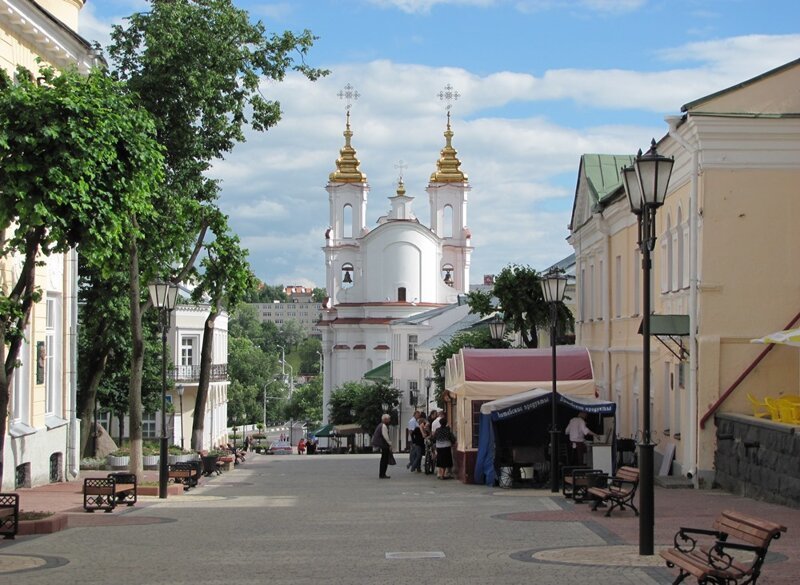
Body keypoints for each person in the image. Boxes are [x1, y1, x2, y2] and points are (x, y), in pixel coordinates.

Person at [372, 413, 393, 479]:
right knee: (384, 460)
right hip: (384, 445)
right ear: (385, 419)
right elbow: (385, 436)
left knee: (383, 459)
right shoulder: (383, 426)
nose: (389, 420)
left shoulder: (380, 425)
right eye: (388, 419)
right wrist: (390, 444)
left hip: (382, 444)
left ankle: (382, 474)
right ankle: (382, 474)